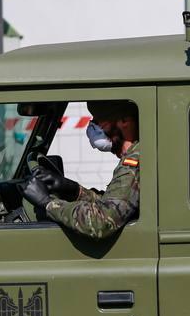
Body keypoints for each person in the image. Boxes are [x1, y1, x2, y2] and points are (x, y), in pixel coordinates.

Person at [23, 100, 140, 239]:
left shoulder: (134, 163)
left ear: (124, 120)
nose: (93, 127)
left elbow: (101, 223)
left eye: (99, 120)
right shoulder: (137, 155)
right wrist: (73, 190)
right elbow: (115, 205)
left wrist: (47, 203)